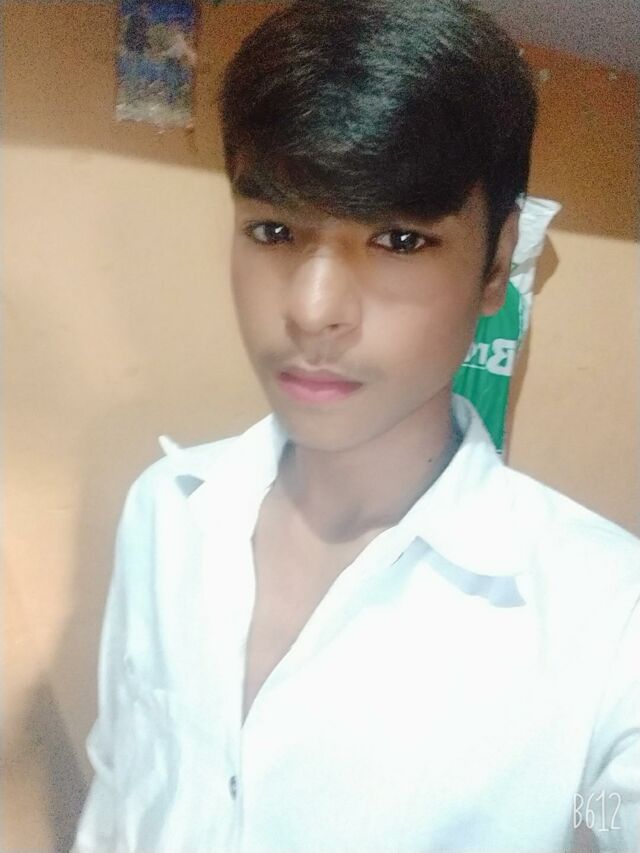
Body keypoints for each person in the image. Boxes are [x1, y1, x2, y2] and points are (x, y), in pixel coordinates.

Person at [73, 1, 640, 851]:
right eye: (274, 230)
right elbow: (120, 792)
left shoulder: (609, 619)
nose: (312, 311)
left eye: (400, 240)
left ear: (497, 262)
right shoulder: (166, 511)